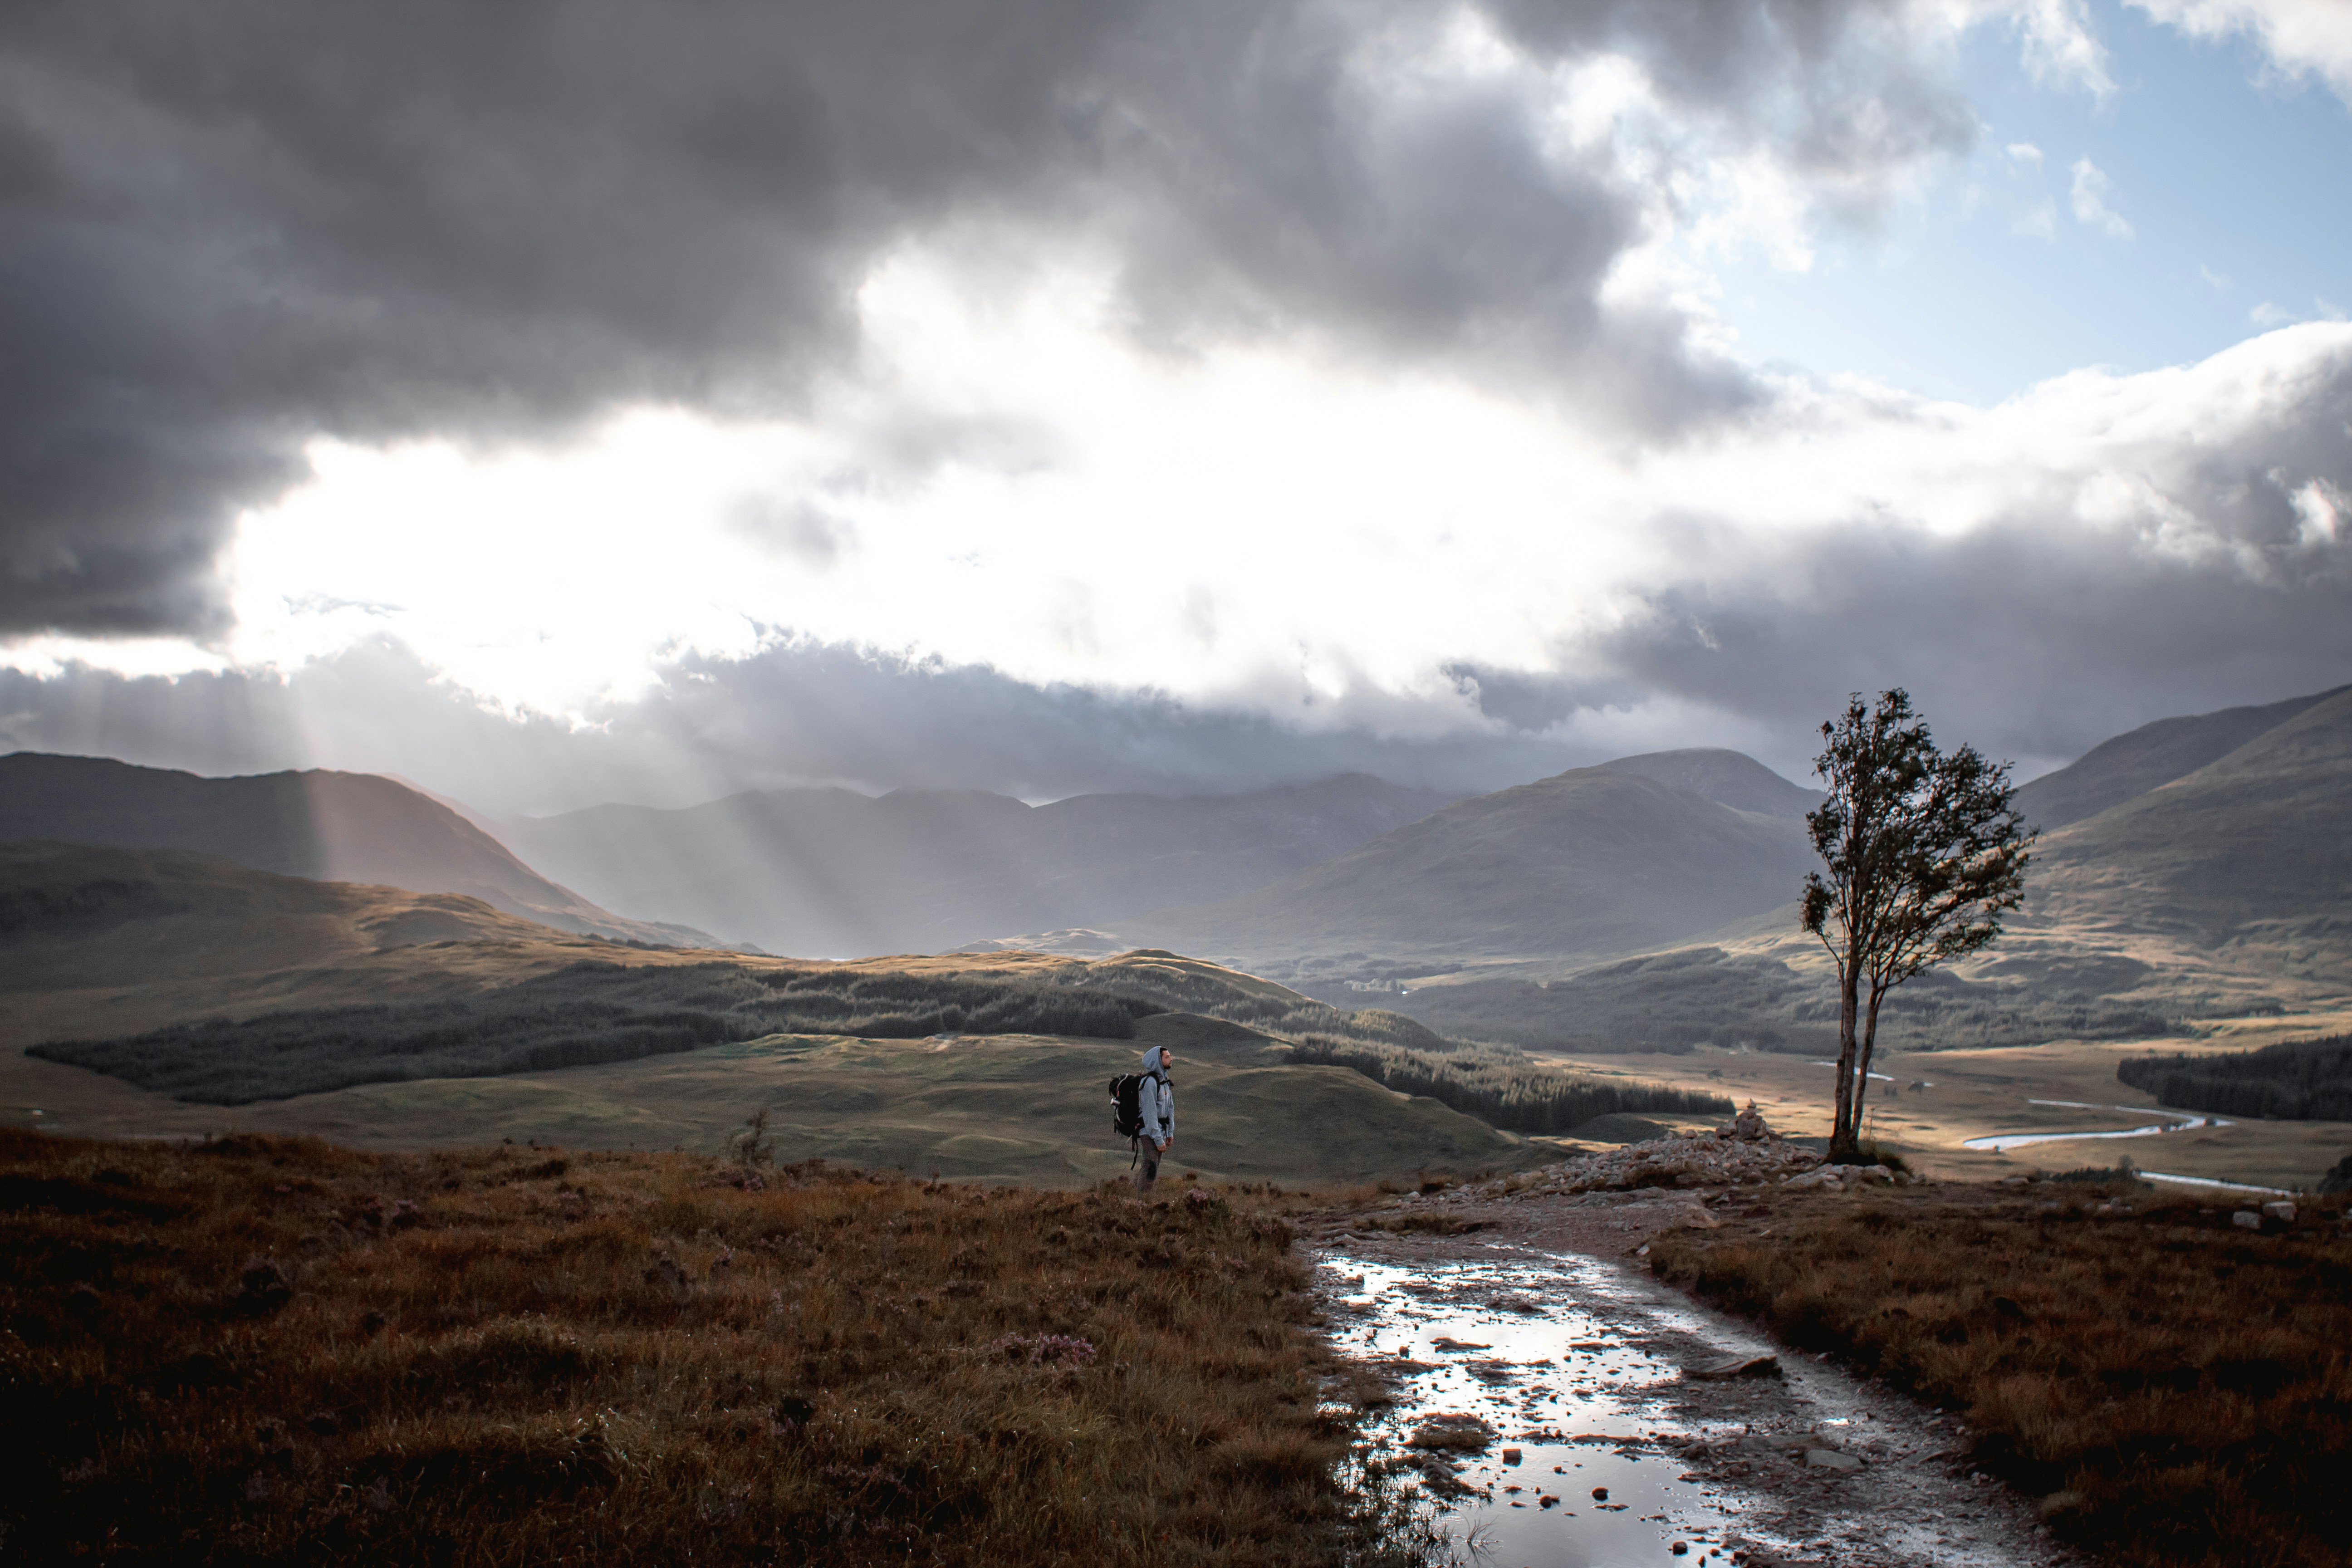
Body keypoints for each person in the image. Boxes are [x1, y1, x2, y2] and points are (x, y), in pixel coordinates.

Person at [1133, 1044, 1173, 1192]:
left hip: (1160, 1131)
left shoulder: (1165, 1081)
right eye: (1167, 1057)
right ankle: (1142, 1205)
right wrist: (1158, 1139)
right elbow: (1150, 1115)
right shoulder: (1150, 1083)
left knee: (1152, 1167)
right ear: (1158, 1060)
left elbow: (1170, 1108)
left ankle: (1134, 1197)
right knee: (1151, 1168)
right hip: (1149, 1132)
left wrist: (1169, 1133)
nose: (1171, 1059)